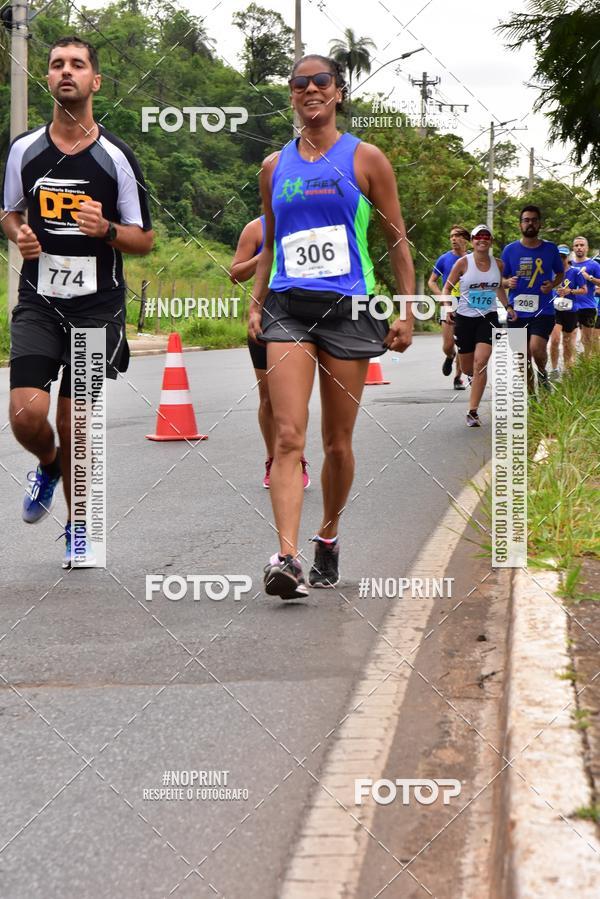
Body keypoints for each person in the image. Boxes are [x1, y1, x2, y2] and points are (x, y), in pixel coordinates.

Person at [248, 54, 415, 599]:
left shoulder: (365, 158)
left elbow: (395, 237)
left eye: (321, 82)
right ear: (292, 95)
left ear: (338, 92)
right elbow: (270, 243)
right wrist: (256, 303)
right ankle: (286, 558)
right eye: (300, 84)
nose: (310, 90)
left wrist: (406, 309)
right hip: (288, 309)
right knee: (287, 434)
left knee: (337, 443)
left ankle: (328, 535)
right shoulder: (274, 166)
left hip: (350, 310)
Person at [1, 35, 153, 566]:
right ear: (48, 77)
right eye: (57, 64)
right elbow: (9, 212)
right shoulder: (24, 150)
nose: (67, 71)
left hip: (96, 307)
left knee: (76, 423)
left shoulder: (116, 157)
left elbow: (143, 238)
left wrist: (106, 228)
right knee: (26, 414)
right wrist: (19, 233)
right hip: (40, 300)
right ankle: (48, 463)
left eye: (78, 65)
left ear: (96, 81)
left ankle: (80, 528)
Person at [230, 214, 309, 489]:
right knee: (268, 397)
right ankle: (273, 458)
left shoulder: (308, 219)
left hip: (301, 319)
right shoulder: (255, 228)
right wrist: (267, 252)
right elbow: (235, 274)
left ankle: (295, 456)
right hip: (264, 319)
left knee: (294, 396)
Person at [443, 225, 516, 427]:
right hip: (464, 319)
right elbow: (447, 288)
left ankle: (472, 411)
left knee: (481, 363)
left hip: (488, 317)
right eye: (478, 237)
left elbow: (499, 287)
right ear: (473, 241)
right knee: (468, 368)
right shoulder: (462, 263)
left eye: (486, 236)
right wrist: (448, 308)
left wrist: (508, 306)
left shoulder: (498, 264)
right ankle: (470, 375)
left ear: (490, 241)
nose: (482, 239)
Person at [501, 205, 564, 392]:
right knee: (522, 357)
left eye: (534, 220)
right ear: (520, 224)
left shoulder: (550, 249)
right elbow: (500, 280)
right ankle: (531, 396)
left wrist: (552, 284)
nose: (530, 223)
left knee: (536, 348)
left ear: (539, 224)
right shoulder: (509, 250)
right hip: (517, 312)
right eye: (526, 220)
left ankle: (542, 373)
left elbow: (560, 273)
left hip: (543, 310)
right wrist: (507, 282)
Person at [428, 225, 469, 390]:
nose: (453, 239)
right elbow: (431, 281)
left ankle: (458, 378)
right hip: (449, 304)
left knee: (463, 344)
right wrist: (442, 296)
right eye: (451, 236)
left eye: (457, 236)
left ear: (465, 239)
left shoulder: (472, 259)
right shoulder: (444, 259)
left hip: (467, 306)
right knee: (448, 345)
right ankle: (450, 356)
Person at [548, 245, 586, 378]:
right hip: (555, 310)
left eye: (563, 257)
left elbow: (584, 290)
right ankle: (554, 369)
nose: (561, 259)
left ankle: (566, 369)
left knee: (567, 342)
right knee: (555, 339)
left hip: (570, 310)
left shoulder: (575, 272)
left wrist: (570, 291)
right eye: (558, 257)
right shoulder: (550, 271)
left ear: (567, 257)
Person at [569, 236, 600, 356]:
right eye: (576, 245)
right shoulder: (569, 264)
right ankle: (570, 365)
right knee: (569, 339)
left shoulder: (594, 265)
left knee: (587, 340)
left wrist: (589, 277)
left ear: (587, 248)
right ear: (573, 248)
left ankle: (587, 364)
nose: (579, 248)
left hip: (587, 306)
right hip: (570, 306)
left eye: (582, 245)